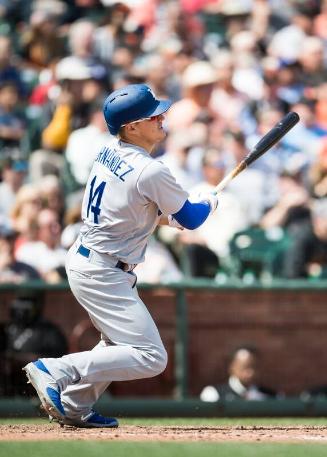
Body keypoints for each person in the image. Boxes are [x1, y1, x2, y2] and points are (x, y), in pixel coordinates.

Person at [23, 83, 219, 428]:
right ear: (132, 127)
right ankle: (55, 369)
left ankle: (72, 404)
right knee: (151, 357)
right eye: (152, 115)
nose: (161, 118)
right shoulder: (150, 169)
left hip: (92, 261)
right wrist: (208, 201)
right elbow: (191, 218)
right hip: (102, 269)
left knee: (115, 343)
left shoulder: (108, 150)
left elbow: (135, 207)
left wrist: (172, 213)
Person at [200, 346, 277, 402]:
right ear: (231, 367)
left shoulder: (271, 396)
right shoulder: (213, 393)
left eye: (254, 367)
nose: (251, 373)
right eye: (245, 367)